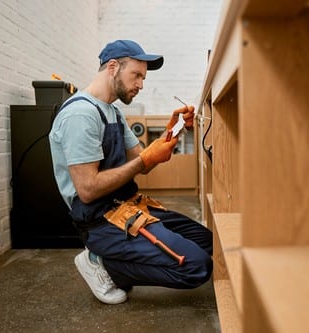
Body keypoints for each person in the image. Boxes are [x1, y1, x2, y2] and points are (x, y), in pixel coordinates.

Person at [49, 40, 213, 304]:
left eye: (143, 77)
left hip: (127, 207)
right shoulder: (81, 114)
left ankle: (118, 258)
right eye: (136, 75)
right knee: (198, 266)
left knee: (209, 243)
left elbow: (142, 162)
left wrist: (174, 131)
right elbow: (88, 190)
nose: (141, 84)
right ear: (113, 67)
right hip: (101, 221)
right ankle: (102, 264)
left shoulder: (112, 111)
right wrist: (144, 159)